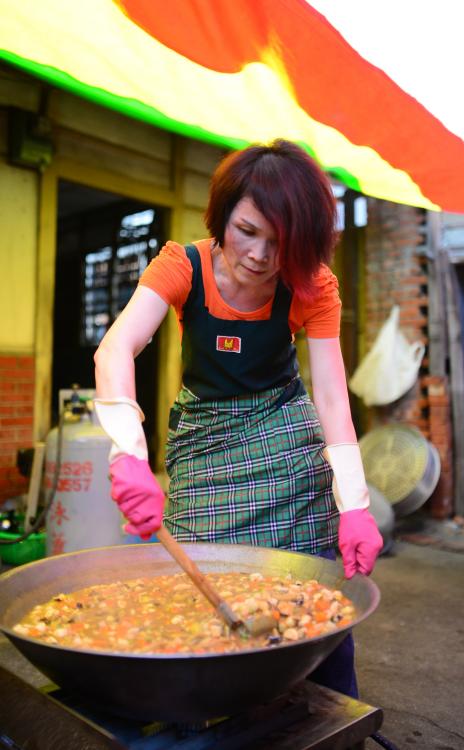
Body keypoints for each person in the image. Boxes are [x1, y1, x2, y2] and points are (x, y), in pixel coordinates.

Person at [94, 138, 383, 698]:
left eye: (280, 244)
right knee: (199, 591)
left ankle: (335, 714)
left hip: (283, 441)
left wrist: (355, 504)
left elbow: (329, 395)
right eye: (247, 231)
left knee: (309, 589)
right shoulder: (183, 265)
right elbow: (116, 349)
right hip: (204, 444)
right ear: (222, 215)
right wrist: (128, 454)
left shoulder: (313, 284)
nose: (258, 255)